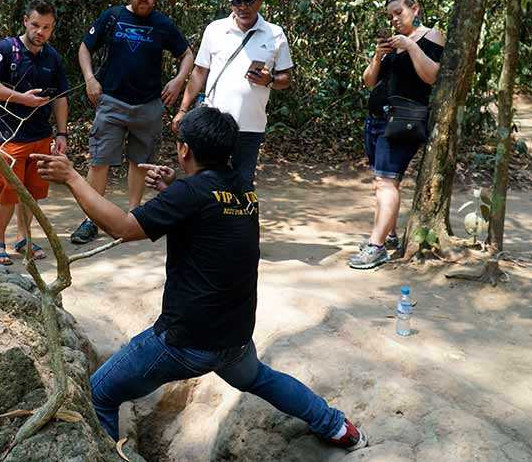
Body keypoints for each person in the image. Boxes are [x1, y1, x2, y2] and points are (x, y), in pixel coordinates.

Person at [31, 106, 367, 452]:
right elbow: (209, 212)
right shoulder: (243, 191)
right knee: (261, 379)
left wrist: (73, 177)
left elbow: (122, 228)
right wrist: (172, 186)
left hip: (184, 342)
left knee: (99, 392)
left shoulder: (190, 194)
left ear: (185, 150)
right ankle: (338, 426)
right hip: (234, 339)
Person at [69, 0, 194, 244]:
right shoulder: (112, 16)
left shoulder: (163, 24)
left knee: (140, 162)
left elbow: (186, 54)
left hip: (149, 105)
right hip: (112, 101)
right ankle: (91, 219)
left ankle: (134, 215)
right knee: (100, 161)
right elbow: (84, 47)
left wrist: (177, 81)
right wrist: (90, 79)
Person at [349, 0, 444, 269]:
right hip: (377, 120)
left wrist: (411, 45)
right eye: (390, 15)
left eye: (398, 12)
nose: (394, 19)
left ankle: (376, 246)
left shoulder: (430, 36)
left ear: (414, 9)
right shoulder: (393, 43)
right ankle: (388, 235)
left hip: (404, 120)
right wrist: (378, 55)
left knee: (385, 182)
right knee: (384, 182)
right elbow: (369, 81)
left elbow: (430, 77)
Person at [175, 0, 293, 191]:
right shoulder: (215, 29)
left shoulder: (275, 34)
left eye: (248, 1)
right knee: (207, 183)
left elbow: (286, 78)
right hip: (213, 124)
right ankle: (207, 225)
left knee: (242, 184)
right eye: (236, 2)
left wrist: (269, 80)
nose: (242, 7)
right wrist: (183, 110)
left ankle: (241, 225)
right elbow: (200, 72)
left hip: (250, 127)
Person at [0, 0, 70, 265]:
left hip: (41, 135)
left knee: (32, 193)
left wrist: (61, 134)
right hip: (8, 136)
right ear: (25, 22)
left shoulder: (52, 57)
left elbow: (61, 97)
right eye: (36, 25)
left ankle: (24, 238)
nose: (40, 32)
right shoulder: (5, 50)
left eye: (47, 27)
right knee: (9, 192)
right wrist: (21, 98)